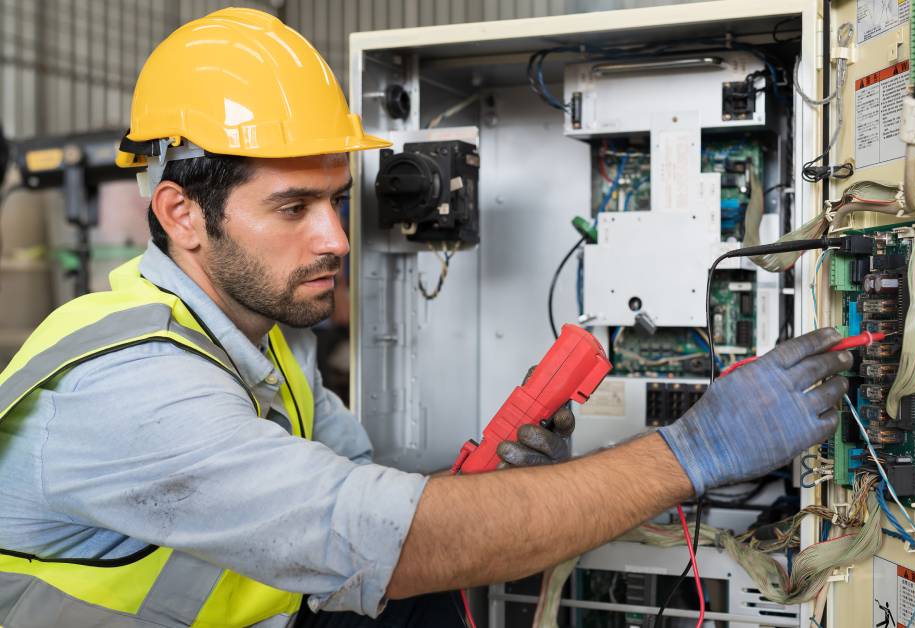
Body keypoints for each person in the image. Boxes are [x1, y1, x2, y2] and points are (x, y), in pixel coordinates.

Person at [0, 8, 849, 628]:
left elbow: (385, 499)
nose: (336, 237)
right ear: (183, 214)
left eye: (336, 199)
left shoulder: (257, 346)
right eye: (293, 207)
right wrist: (691, 452)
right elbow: (389, 542)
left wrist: (487, 488)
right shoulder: (132, 385)